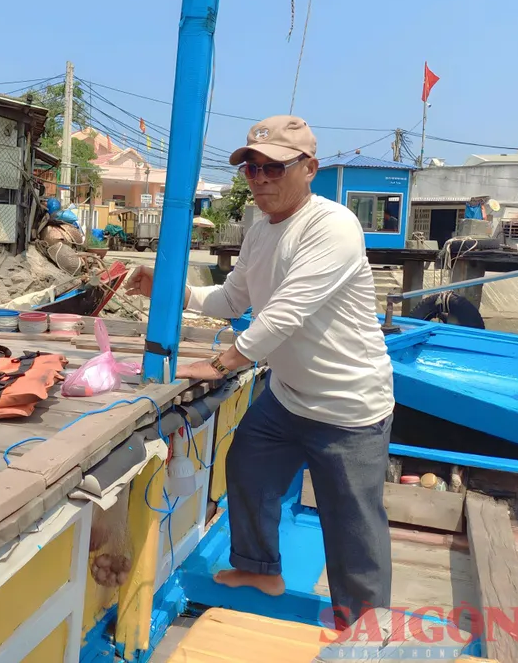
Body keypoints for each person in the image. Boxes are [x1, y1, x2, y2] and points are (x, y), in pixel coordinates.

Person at [124, 115, 394, 630]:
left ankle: (365, 629)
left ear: (309, 168)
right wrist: (173, 291)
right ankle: (257, 570)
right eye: (252, 168)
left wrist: (222, 362)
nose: (261, 178)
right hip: (289, 395)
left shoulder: (333, 226)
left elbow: (286, 313)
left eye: (274, 167)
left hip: (348, 405)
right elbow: (232, 299)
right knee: (247, 462)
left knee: (353, 526)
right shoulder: (258, 230)